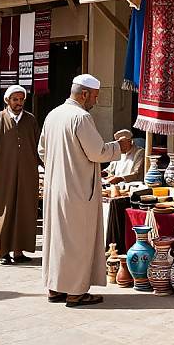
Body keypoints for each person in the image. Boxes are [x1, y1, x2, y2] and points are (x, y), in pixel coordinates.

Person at [38, 74, 132, 307]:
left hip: (56, 188)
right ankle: (75, 293)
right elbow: (97, 152)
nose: (95, 101)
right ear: (84, 94)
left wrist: (59, 167)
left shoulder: (53, 115)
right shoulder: (81, 117)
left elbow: (42, 151)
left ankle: (55, 288)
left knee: (58, 239)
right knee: (77, 241)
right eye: (95, 96)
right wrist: (118, 147)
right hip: (78, 190)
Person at [0, 85, 40, 265]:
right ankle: (3, 253)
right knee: (3, 212)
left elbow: (39, 148)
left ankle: (18, 252)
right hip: (3, 176)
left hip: (27, 175)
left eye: (21, 99)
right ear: (7, 100)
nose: (19, 103)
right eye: (15, 99)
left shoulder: (30, 120)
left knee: (24, 211)